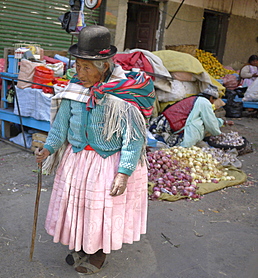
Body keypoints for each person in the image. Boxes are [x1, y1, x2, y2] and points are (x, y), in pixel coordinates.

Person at [35, 25, 155, 275]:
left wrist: (124, 172)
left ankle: (98, 253)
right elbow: (61, 125)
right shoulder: (74, 89)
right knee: (78, 207)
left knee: (99, 212)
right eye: (77, 65)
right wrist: (48, 149)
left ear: (105, 66)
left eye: (86, 67)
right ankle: (81, 245)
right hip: (77, 159)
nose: (80, 72)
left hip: (106, 162)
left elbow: (133, 140)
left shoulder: (124, 96)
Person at [149, 84, 234, 148]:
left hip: (164, 121)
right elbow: (210, 121)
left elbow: (210, 119)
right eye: (214, 99)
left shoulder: (196, 99)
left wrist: (223, 122)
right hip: (169, 123)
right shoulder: (204, 102)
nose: (213, 102)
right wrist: (217, 133)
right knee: (197, 125)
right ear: (211, 97)